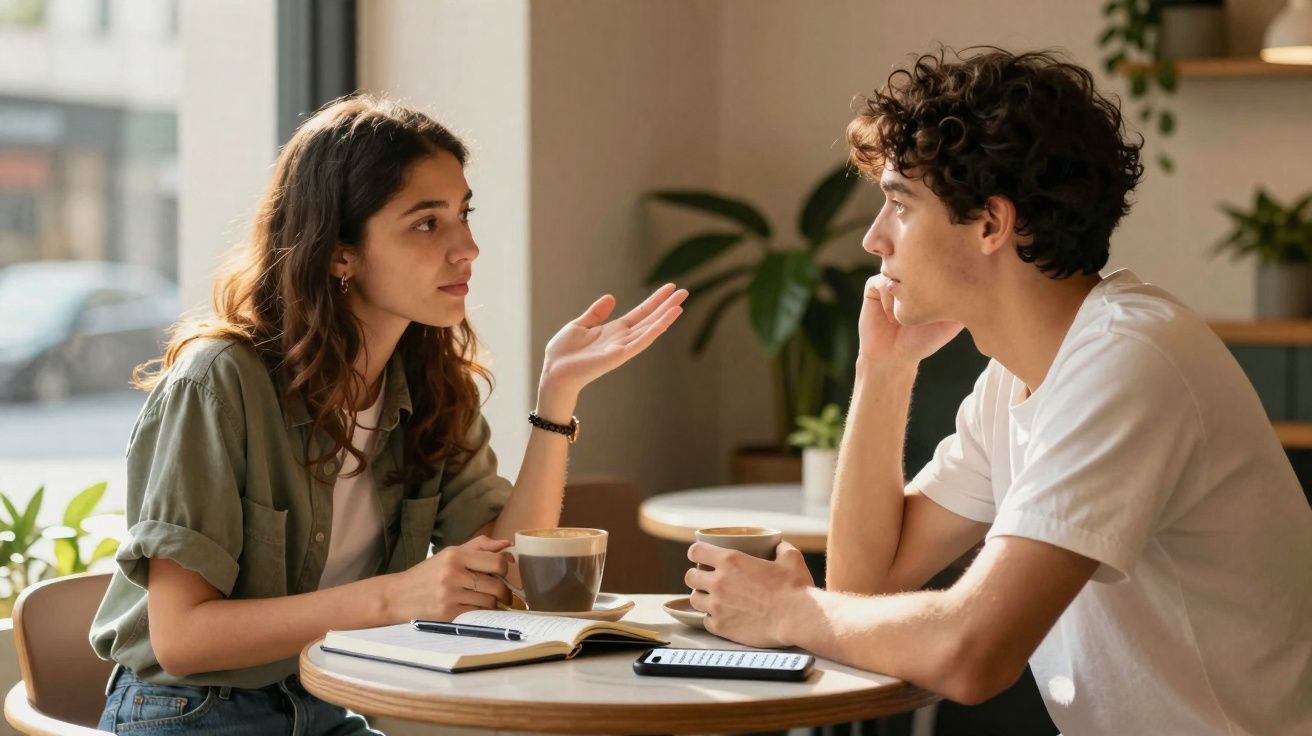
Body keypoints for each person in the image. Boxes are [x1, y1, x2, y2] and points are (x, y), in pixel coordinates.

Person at [686, 48, 1311, 735]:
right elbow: (864, 588)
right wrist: (883, 372)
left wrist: (784, 612)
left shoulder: (1128, 362)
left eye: (899, 204)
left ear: (990, 223)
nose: (873, 239)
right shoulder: (1019, 373)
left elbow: (973, 654)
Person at [89, 95, 686, 734]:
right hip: (191, 709)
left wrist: (557, 396)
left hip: (326, 698)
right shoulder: (219, 382)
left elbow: (506, 573)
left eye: (463, 214)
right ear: (339, 252)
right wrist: (395, 598)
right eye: (427, 224)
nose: (468, 248)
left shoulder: (431, 386)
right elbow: (181, 639)